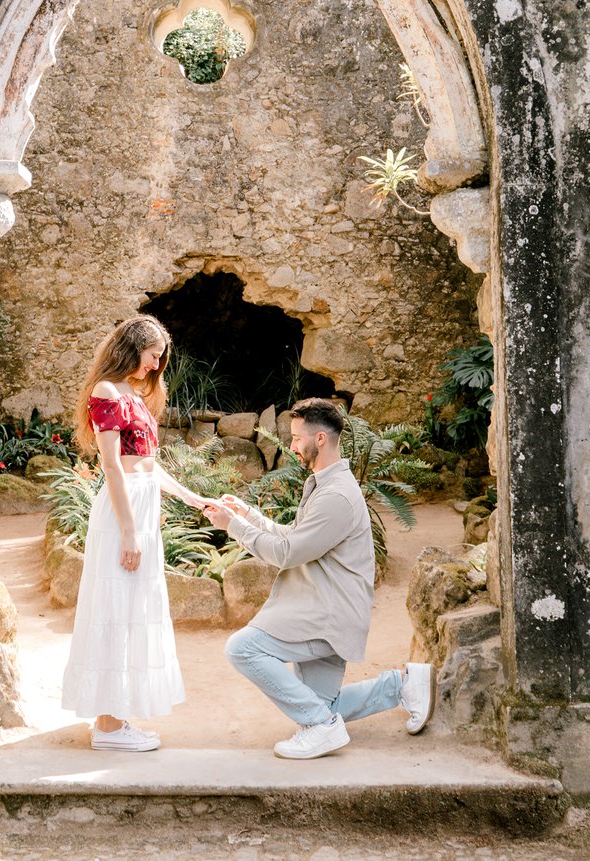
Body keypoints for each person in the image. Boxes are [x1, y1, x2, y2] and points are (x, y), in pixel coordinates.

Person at [204, 396, 434, 759]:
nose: (292, 445)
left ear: (320, 439)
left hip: (327, 615)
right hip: (323, 606)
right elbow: (296, 537)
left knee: (243, 648)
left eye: (297, 438)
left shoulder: (336, 495)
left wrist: (233, 527)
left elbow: (287, 553)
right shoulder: (327, 484)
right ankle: (403, 685)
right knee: (324, 704)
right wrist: (247, 515)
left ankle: (322, 727)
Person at [59, 313, 212, 751]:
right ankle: (108, 727)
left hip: (140, 507)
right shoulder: (106, 392)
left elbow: (148, 466)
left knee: (133, 610)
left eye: (160, 358)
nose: (155, 365)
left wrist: (192, 498)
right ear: (132, 348)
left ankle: (115, 718)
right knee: (115, 609)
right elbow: (112, 466)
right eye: (152, 355)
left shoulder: (133, 394)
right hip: (122, 513)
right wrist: (129, 531)